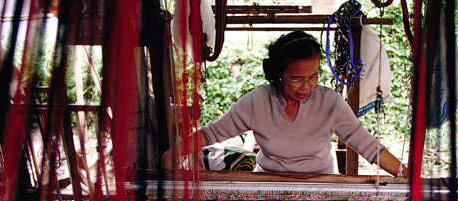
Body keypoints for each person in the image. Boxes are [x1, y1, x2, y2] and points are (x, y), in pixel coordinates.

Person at [163, 30, 408, 177]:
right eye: (296, 79)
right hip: (268, 186)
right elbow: (211, 133)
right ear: (279, 74)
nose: (306, 86)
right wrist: (175, 152)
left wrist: (403, 174)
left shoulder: (330, 103)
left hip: (319, 188)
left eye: (313, 77)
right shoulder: (257, 102)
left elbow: (367, 145)